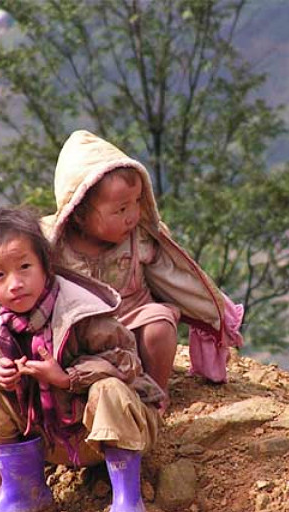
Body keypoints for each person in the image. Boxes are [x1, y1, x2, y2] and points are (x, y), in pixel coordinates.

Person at [0, 207, 163, 512]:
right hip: (48, 436)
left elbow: (125, 362)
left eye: (24, 267)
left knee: (108, 389)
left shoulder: (81, 310)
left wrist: (67, 378)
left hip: (105, 433)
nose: (15, 284)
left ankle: (126, 499)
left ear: (45, 265)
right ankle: (26, 493)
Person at [42, 130, 244, 400]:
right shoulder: (52, 246)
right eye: (120, 209)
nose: (133, 216)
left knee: (159, 323)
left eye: (137, 202)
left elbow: (176, 277)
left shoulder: (141, 239)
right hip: (83, 338)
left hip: (133, 325)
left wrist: (211, 310)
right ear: (77, 213)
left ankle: (154, 397)